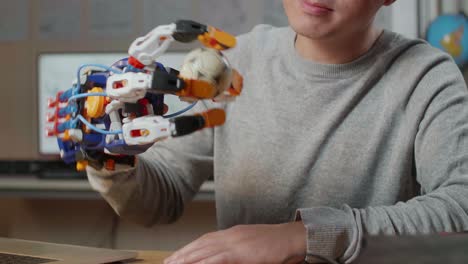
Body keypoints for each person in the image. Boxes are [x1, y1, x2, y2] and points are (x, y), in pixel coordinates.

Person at [87, 0, 468, 263]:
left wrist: (300, 237)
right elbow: (161, 197)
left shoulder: (427, 77)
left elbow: (460, 208)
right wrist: (114, 161)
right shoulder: (231, 67)